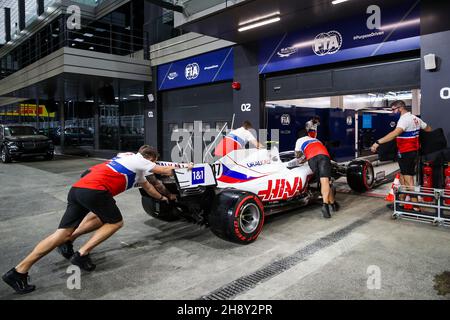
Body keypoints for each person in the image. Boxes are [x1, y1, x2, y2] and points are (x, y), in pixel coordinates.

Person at [2, 145, 192, 294]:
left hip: (79, 188)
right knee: (116, 222)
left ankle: (18, 271)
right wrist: (188, 166)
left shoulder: (126, 158)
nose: (151, 167)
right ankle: (82, 254)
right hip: (96, 190)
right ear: (151, 158)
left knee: (68, 231)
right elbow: (165, 171)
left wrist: (165, 198)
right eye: (152, 162)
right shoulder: (140, 161)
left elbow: (149, 187)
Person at [370, 100, 432, 210]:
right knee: (403, 177)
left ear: (400, 108)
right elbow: (428, 129)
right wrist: (417, 138)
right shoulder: (415, 118)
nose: (393, 112)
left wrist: (377, 142)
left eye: (393, 109)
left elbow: (395, 133)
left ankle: (416, 207)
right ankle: (400, 203)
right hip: (412, 152)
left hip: (406, 153)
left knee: (409, 180)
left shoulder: (404, 120)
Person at [295, 129, 339, 219]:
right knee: (326, 181)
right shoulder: (315, 139)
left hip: (311, 158)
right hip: (323, 156)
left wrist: (303, 158)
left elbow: (297, 156)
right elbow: (321, 148)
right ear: (307, 134)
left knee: (326, 183)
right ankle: (326, 205)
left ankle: (332, 204)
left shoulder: (299, 140)